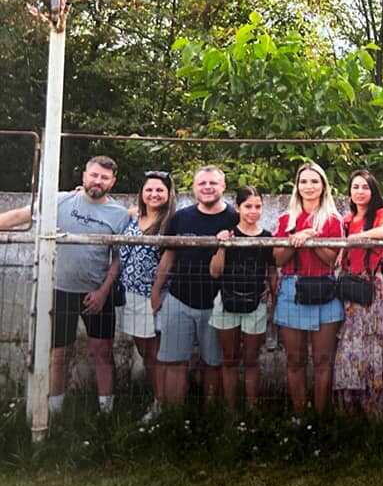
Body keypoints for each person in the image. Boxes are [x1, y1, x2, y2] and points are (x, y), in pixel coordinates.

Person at [0, 156, 130, 415]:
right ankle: (54, 412)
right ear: (84, 176)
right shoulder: (59, 201)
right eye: (94, 175)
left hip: (96, 294)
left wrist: (103, 291)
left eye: (104, 177)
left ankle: (107, 413)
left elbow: (118, 258)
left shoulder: (119, 215)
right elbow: (19, 215)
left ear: (112, 182)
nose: (98, 181)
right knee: (59, 354)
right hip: (59, 291)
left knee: (103, 352)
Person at [151, 166, 238, 409]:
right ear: (194, 187)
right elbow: (168, 256)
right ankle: (173, 415)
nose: (207, 187)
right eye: (202, 183)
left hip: (219, 304)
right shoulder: (181, 217)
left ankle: (210, 415)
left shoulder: (234, 218)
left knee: (213, 364)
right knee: (174, 361)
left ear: (223, 186)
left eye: (213, 183)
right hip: (179, 299)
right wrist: (156, 291)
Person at [273, 162, 344, 416]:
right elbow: (278, 259)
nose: (309, 186)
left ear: (323, 186)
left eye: (315, 181)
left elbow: (332, 260)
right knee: (295, 359)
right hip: (292, 288)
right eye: (304, 181)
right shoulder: (286, 219)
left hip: (325, 289)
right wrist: (297, 237)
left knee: (323, 360)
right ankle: (300, 416)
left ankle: (321, 417)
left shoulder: (333, 219)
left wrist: (311, 238)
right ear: (297, 186)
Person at [208, 186, 276, 412]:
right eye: (248, 206)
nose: (253, 211)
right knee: (229, 358)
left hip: (255, 303)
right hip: (226, 302)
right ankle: (230, 411)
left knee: (251, 359)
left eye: (258, 206)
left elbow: (272, 270)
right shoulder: (228, 234)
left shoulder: (267, 237)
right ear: (238, 207)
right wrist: (222, 246)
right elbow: (215, 272)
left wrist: (273, 295)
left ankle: (252, 409)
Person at [333, 170, 383, 418]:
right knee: (349, 344)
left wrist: (354, 238)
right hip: (349, 287)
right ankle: (349, 409)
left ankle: (373, 408)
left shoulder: (381, 214)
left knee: (371, 342)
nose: (359, 191)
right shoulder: (346, 219)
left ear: (373, 191)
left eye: (365, 187)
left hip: (371, 287)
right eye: (355, 187)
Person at [117, 170, 177, 421]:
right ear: (142, 193)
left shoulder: (170, 222)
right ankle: (158, 398)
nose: (154, 194)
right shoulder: (133, 217)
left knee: (155, 352)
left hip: (154, 296)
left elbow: (168, 259)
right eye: (149, 189)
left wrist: (155, 292)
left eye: (159, 190)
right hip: (130, 294)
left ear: (168, 194)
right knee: (143, 350)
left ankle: (161, 404)